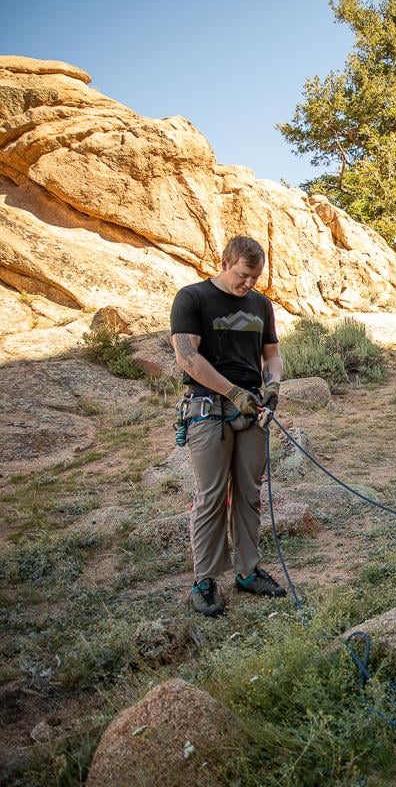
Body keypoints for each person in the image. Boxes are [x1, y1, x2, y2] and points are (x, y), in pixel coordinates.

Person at [170, 235, 286, 617]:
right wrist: (232, 391)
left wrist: (272, 385)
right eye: (242, 275)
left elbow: (272, 355)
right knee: (212, 495)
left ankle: (248, 572)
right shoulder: (193, 298)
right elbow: (188, 357)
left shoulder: (261, 305)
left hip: (251, 409)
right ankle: (204, 580)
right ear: (225, 262)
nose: (248, 284)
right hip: (209, 408)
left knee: (249, 493)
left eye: (255, 277)